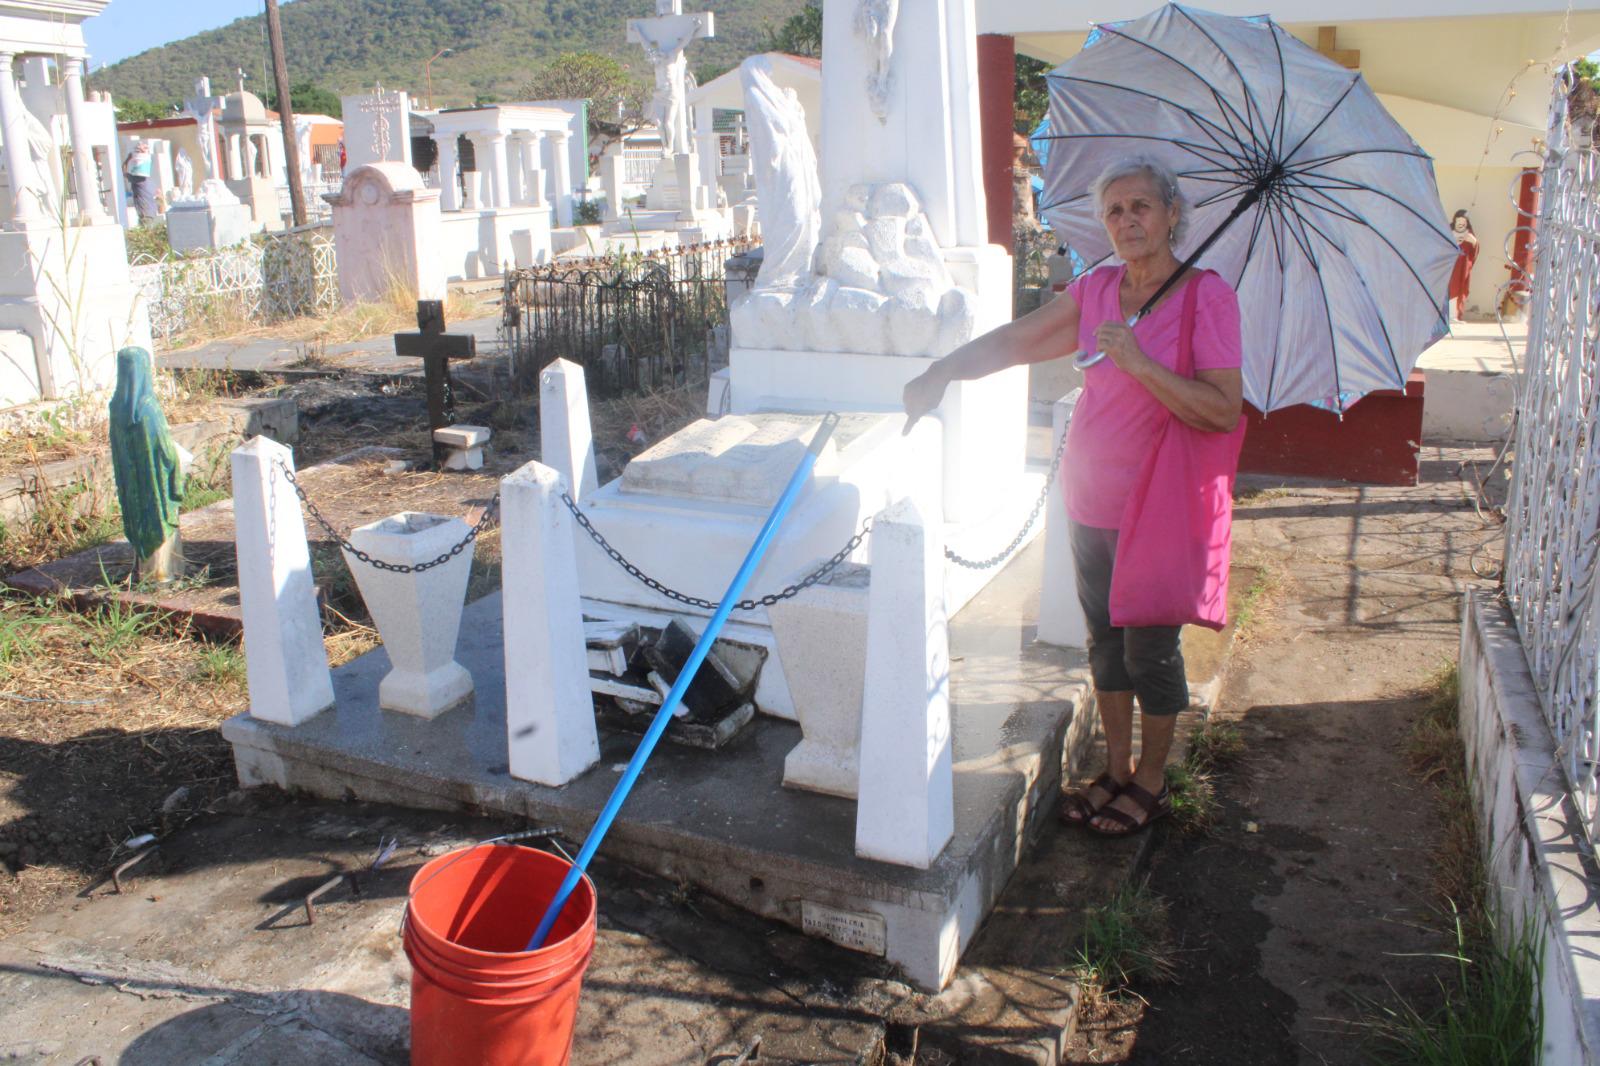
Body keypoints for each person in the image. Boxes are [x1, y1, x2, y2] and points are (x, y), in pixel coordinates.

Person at [902, 155, 1244, 836]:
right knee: (1107, 645)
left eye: (1141, 206)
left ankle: (1151, 777)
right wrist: (943, 370)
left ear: (1172, 213)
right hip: (1091, 499)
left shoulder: (1206, 296)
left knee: (1151, 648)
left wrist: (1139, 363)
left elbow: (1222, 410)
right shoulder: (1096, 291)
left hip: (1161, 506)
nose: (1127, 221)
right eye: (1114, 211)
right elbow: (1021, 339)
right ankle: (1115, 766)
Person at [1448, 209, 1478, 321]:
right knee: (1450, 289)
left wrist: (1474, 243)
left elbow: (1474, 251)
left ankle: (1455, 315)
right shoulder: (1449, 232)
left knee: (1459, 290)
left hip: (1462, 268)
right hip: (1450, 267)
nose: (1460, 224)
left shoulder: (1469, 235)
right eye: (1458, 221)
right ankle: (1448, 315)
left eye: (1463, 222)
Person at [122, 139, 156, 224]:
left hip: (145, 214)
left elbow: (124, 172)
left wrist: (128, 159)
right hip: (150, 212)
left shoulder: (137, 180)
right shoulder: (146, 180)